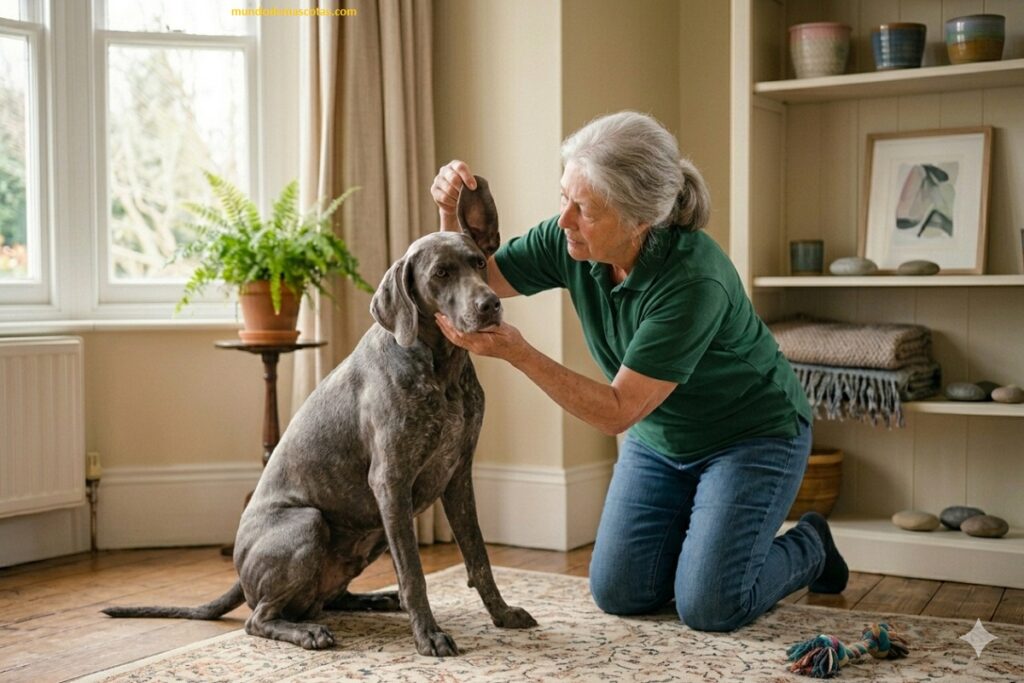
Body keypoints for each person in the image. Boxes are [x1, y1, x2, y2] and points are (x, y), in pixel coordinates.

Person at [429, 111, 848, 632]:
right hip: (661, 438)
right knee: (619, 592)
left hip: (751, 436)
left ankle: (811, 544)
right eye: (564, 196)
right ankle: (707, 551)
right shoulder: (570, 241)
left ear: (638, 220)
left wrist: (519, 352)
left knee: (711, 607)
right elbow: (473, 279)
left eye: (583, 208)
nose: (564, 219)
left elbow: (617, 411)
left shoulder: (693, 281)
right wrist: (449, 213)